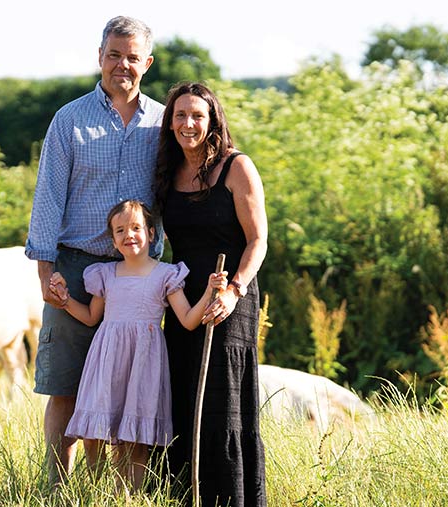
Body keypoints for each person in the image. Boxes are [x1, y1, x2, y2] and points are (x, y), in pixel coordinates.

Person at [24, 15, 165, 487]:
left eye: (131, 57)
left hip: (136, 275)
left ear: (146, 63)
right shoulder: (69, 119)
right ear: (99, 58)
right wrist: (46, 272)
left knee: (123, 389)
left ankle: (108, 489)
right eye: (113, 55)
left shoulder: (165, 122)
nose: (121, 65)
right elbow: (47, 198)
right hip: (75, 267)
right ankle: (58, 488)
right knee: (66, 384)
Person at [49, 199, 227, 491]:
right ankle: (95, 490)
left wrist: (210, 290)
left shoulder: (166, 274)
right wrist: (66, 301)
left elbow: (188, 320)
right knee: (95, 430)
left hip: (143, 362)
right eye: (120, 231)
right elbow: (92, 316)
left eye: (135, 227)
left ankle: (126, 494)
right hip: (107, 359)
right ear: (113, 240)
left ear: (152, 233)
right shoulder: (104, 274)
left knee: (134, 437)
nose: (128, 235)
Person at [152, 81, 268, 506]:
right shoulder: (167, 171)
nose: (188, 123)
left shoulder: (237, 167)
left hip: (230, 295)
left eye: (197, 115)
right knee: (180, 394)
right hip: (183, 300)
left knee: (222, 404)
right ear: (169, 123)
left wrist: (235, 291)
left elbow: (258, 240)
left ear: (213, 120)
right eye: (180, 115)